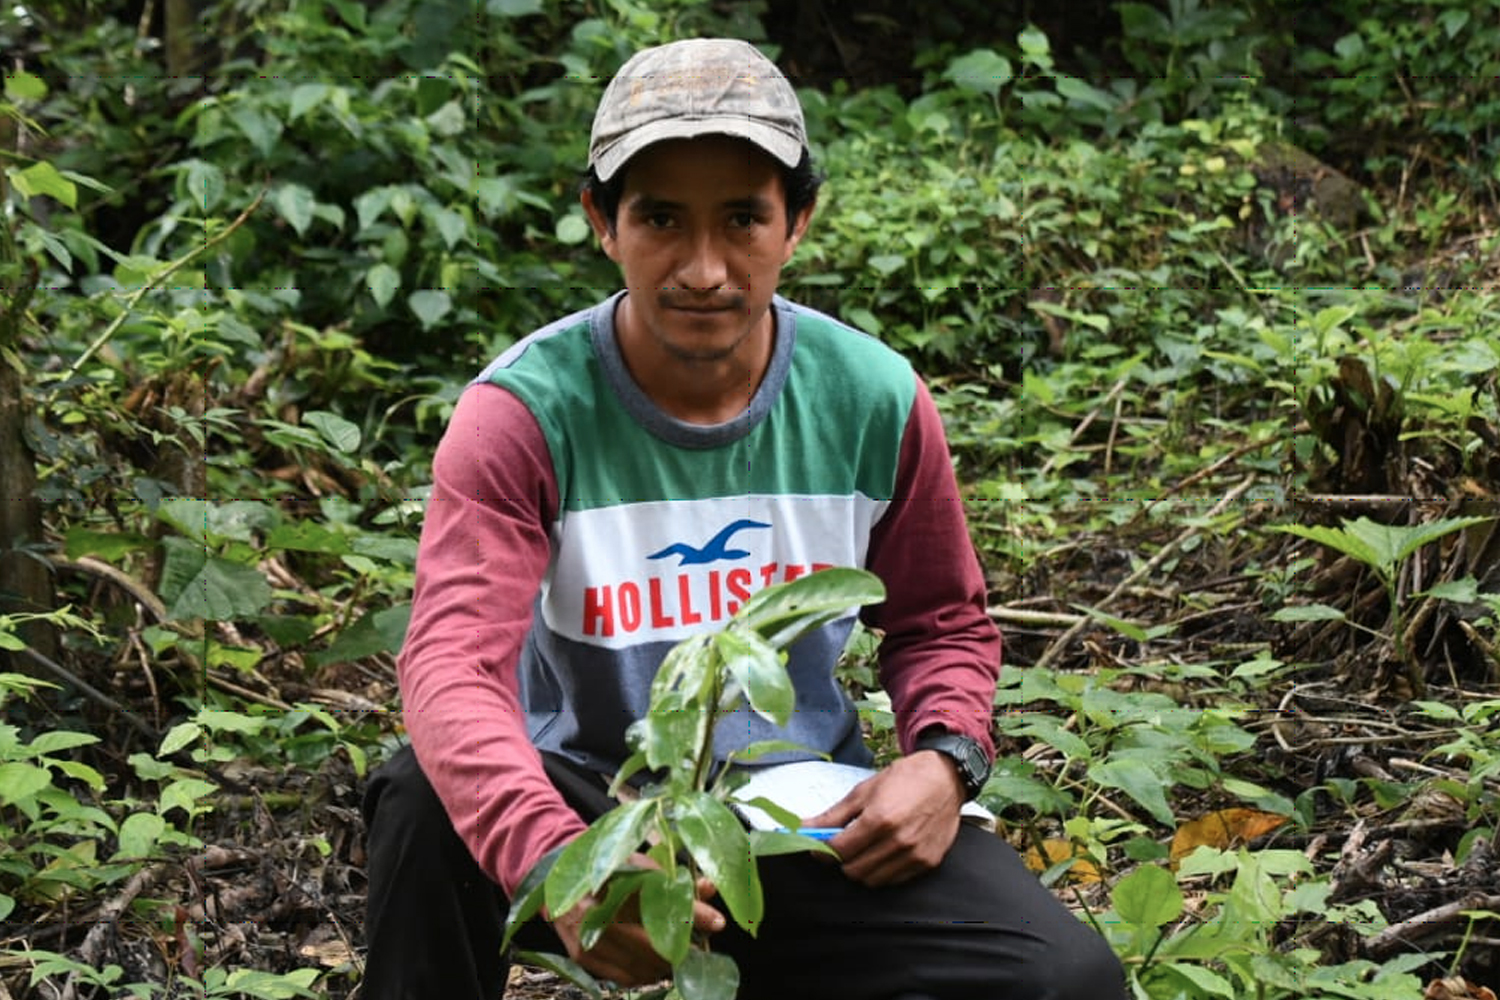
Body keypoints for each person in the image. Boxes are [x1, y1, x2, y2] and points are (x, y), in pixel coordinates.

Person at [362, 36, 1126, 1000]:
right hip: (590, 798)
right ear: (603, 221)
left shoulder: (872, 399)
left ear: (796, 222)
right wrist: (558, 860)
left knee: (1068, 978)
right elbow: (450, 666)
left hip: (795, 815)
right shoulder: (522, 416)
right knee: (423, 794)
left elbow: (941, 623)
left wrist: (944, 761)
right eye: (662, 219)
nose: (706, 268)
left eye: (743, 219)